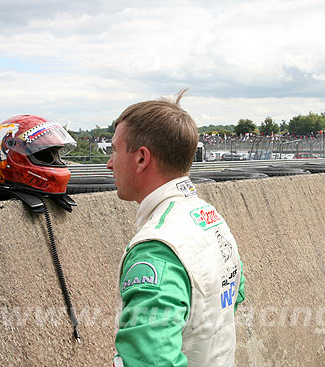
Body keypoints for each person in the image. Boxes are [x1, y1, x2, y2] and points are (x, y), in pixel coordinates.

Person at [107, 89, 245, 367]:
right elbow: (235, 292)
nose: (109, 163)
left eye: (114, 150)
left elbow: (149, 361)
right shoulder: (209, 216)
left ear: (142, 158)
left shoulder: (157, 247)